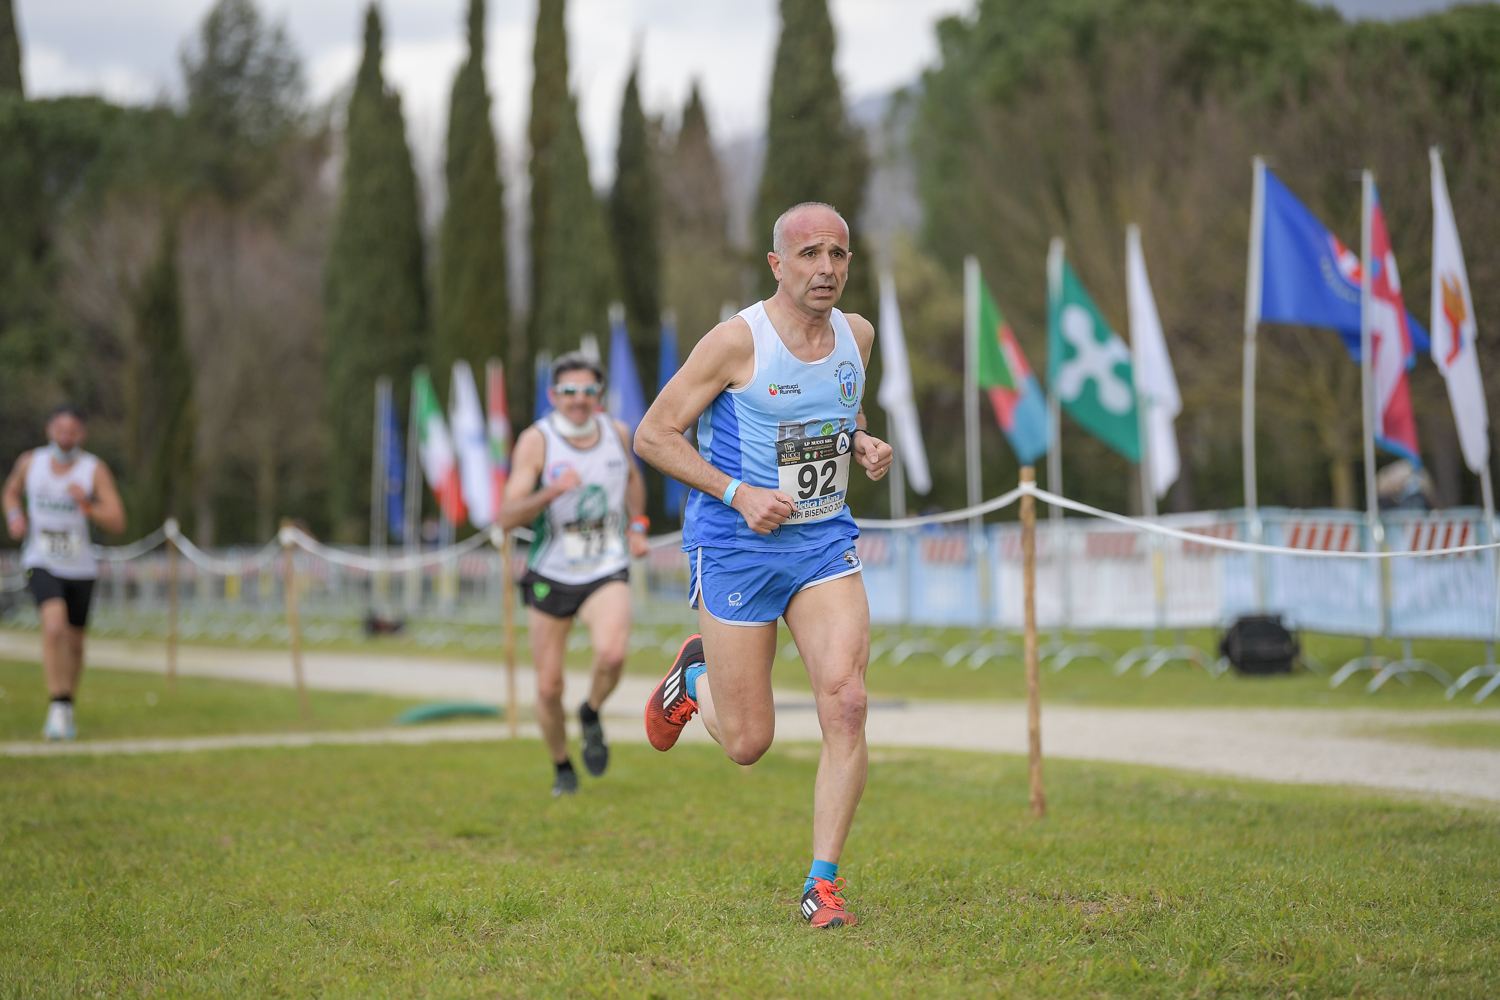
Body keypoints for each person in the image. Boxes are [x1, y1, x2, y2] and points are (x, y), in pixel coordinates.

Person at [634, 202, 893, 928]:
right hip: (738, 546)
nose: (826, 268)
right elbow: (653, 434)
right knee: (748, 743)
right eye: (809, 254)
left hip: (822, 542)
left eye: (838, 254)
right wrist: (737, 493)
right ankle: (693, 677)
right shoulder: (735, 342)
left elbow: (840, 409)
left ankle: (822, 884)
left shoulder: (858, 336)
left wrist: (862, 442)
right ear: (777, 264)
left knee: (847, 702)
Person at [499, 353, 650, 797]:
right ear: (553, 395)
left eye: (587, 391)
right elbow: (506, 516)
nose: (579, 399)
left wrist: (638, 525)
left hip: (605, 565)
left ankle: (591, 710)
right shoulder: (537, 441)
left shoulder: (617, 432)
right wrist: (551, 491)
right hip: (552, 572)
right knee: (549, 687)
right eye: (569, 392)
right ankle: (563, 766)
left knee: (613, 654)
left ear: (599, 395)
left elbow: (633, 478)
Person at [2, 404, 127, 740]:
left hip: (80, 567)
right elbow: (10, 492)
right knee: (54, 626)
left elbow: (117, 520)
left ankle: (67, 704)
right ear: (49, 430)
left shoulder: (93, 470)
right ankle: (57, 704)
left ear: (82, 434)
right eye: (60, 430)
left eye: (72, 431)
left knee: (75, 643)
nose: (65, 437)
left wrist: (87, 504)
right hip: (40, 561)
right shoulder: (31, 462)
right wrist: (14, 516)